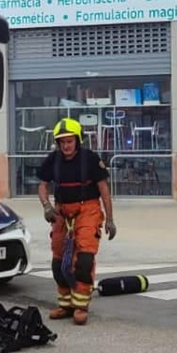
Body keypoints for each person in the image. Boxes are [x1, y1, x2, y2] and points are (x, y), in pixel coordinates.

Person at [37, 118, 116, 325]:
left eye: (69, 141)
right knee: (58, 261)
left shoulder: (90, 159)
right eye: (62, 142)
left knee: (84, 259)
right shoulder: (53, 159)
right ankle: (65, 304)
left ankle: (80, 305)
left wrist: (110, 219)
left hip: (87, 209)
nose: (66, 146)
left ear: (77, 140)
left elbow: (104, 190)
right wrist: (47, 206)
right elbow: (42, 186)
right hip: (62, 211)